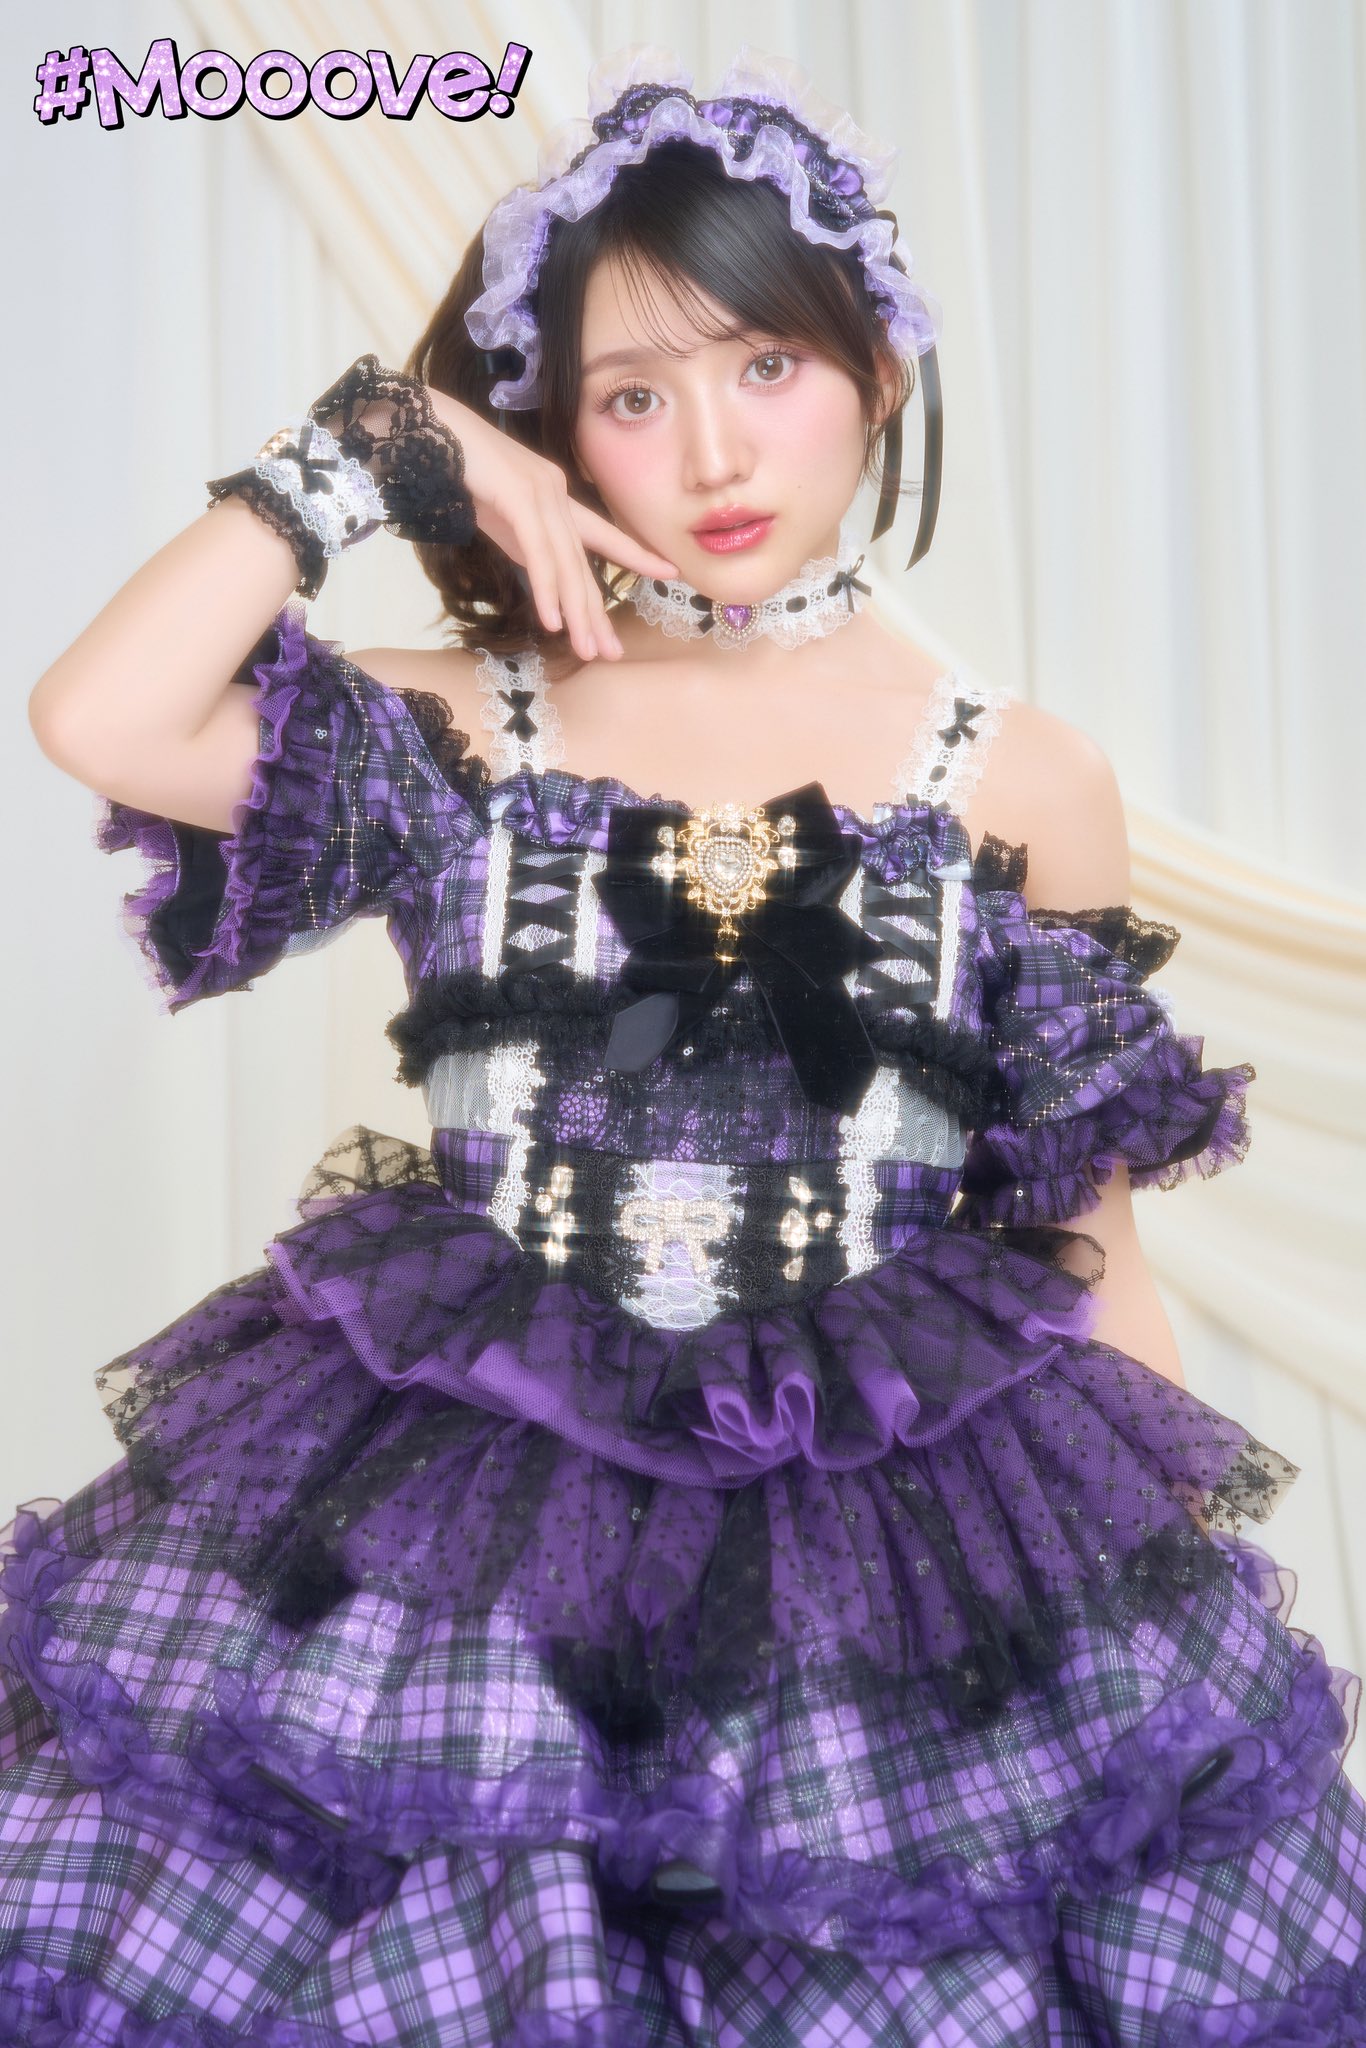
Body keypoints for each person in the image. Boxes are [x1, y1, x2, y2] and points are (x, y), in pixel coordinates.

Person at [6, 40, 1366, 2047]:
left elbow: (1085, 1239)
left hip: (878, 1554)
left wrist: (1155, 1631)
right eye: (630, 397)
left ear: (876, 373)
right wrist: (379, 441)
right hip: (477, 1530)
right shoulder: (473, 727)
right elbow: (102, 719)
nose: (713, 452)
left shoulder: (1021, 779)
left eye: (766, 365)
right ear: (552, 433)